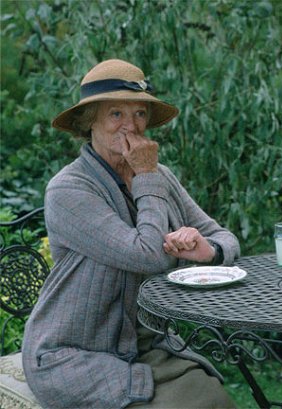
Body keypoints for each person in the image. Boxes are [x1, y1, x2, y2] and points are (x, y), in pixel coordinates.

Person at [22, 59, 241, 408]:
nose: (131, 126)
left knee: (213, 398)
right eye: (115, 114)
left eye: (139, 114)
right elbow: (148, 255)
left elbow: (226, 239)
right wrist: (144, 174)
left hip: (144, 345)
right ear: (88, 120)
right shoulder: (68, 189)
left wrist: (208, 251)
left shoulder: (159, 176)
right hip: (73, 354)